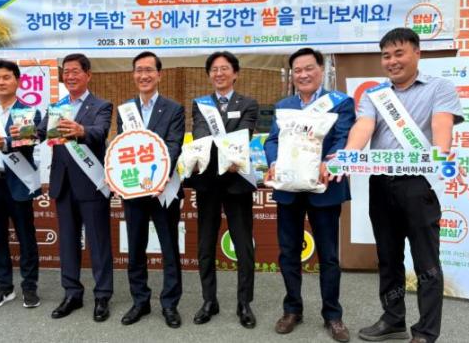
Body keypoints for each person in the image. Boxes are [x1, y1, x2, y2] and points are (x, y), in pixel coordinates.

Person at [341, 28, 463, 343]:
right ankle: (393, 319)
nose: (392, 61)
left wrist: (440, 152)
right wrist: (348, 155)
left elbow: (441, 123)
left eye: (399, 53)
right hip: (381, 184)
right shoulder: (375, 95)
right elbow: (364, 126)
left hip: (418, 185)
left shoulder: (439, 87)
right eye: (386, 56)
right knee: (388, 257)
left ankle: (426, 331)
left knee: (426, 261)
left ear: (416, 53)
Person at [263, 48, 355, 342]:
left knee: (328, 255)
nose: (303, 75)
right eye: (297, 70)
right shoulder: (284, 106)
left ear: (321, 70)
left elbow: (343, 137)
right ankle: (292, 309)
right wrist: (274, 161)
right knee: (288, 251)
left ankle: (333, 315)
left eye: (308, 68)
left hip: (323, 188)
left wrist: (330, 161)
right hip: (289, 189)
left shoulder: (340, 102)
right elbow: (272, 140)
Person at [37, 53, 114, 321]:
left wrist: (81, 130)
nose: (69, 76)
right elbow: (40, 132)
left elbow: (100, 132)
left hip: (92, 184)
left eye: (75, 71)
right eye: (66, 72)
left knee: (98, 242)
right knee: (68, 242)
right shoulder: (56, 107)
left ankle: (102, 295)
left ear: (88, 75)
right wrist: (18, 136)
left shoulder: (102, 105)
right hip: (63, 184)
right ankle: (72, 293)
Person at [116, 51, 185, 329]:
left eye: (149, 70)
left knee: (169, 248)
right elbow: (123, 147)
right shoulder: (125, 110)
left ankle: (170, 304)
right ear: (133, 75)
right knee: (135, 247)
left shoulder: (173, 108)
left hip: (163, 189)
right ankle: (140, 301)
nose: (143, 75)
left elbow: (174, 145)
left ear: (159, 75)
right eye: (139, 70)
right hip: (134, 190)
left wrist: (159, 177)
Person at [190, 51, 258, 329]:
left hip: (236, 182)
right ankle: (209, 301)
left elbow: (243, 136)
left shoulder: (249, 104)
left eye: (224, 68)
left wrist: (225, 151)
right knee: (205, 244)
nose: (219, 73)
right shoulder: (200, 104)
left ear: (235, 73)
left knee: (243, 245)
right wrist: (219, 150)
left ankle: (244, 303)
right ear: (209, 75)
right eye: (214, 69)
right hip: (208, 182)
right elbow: (199, 135)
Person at [0, 60, 41, 309]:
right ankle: (4, 287)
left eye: (6, 77)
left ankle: (29, 287)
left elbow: (26, 144)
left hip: (18, 181)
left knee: (26, 237)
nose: (1, 82)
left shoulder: (28, 112)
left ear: (18, 81)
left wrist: (5, 144)